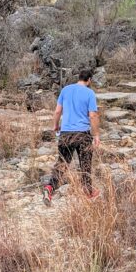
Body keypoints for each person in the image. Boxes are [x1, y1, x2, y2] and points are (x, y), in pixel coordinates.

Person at [42, 68, 100, 204]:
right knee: (85, 164)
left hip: (66, 133)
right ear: (89, 80)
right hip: (82, 134)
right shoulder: (90, 93)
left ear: (79, 77)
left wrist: (55, 125)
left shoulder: (65, 90)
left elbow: (57, 111)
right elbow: (93, 115)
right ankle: (88, 192)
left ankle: (49, 187)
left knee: (62, 163)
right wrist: (96, 134)